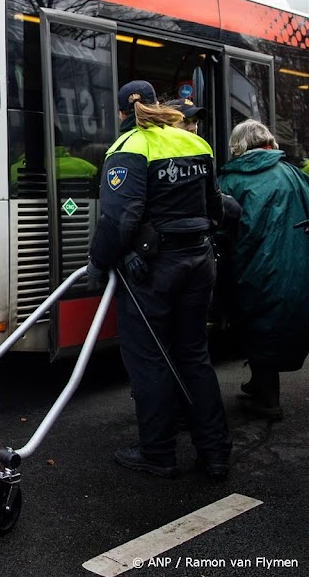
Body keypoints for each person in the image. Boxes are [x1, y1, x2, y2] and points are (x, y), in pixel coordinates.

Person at [86, 80, 231, 481]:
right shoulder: (194, 143)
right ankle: (215, 453)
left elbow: (120, 219)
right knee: (194, 357)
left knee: (149, 360)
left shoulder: (129, 146)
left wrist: (99, 264)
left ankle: (158, 453)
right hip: (199, 261)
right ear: (156, 103)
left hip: (153, 270)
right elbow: (216, 207)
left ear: (120, 114)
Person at [215, 121, 309, 421]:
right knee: (274, 325)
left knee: (258, 326)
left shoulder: (231, 181)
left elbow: (220, 229)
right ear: (270, 142)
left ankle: (269, 401)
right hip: (295, 265)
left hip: (251, 268)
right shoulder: (292, 173)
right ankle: (260, 385)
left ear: (238, 145)